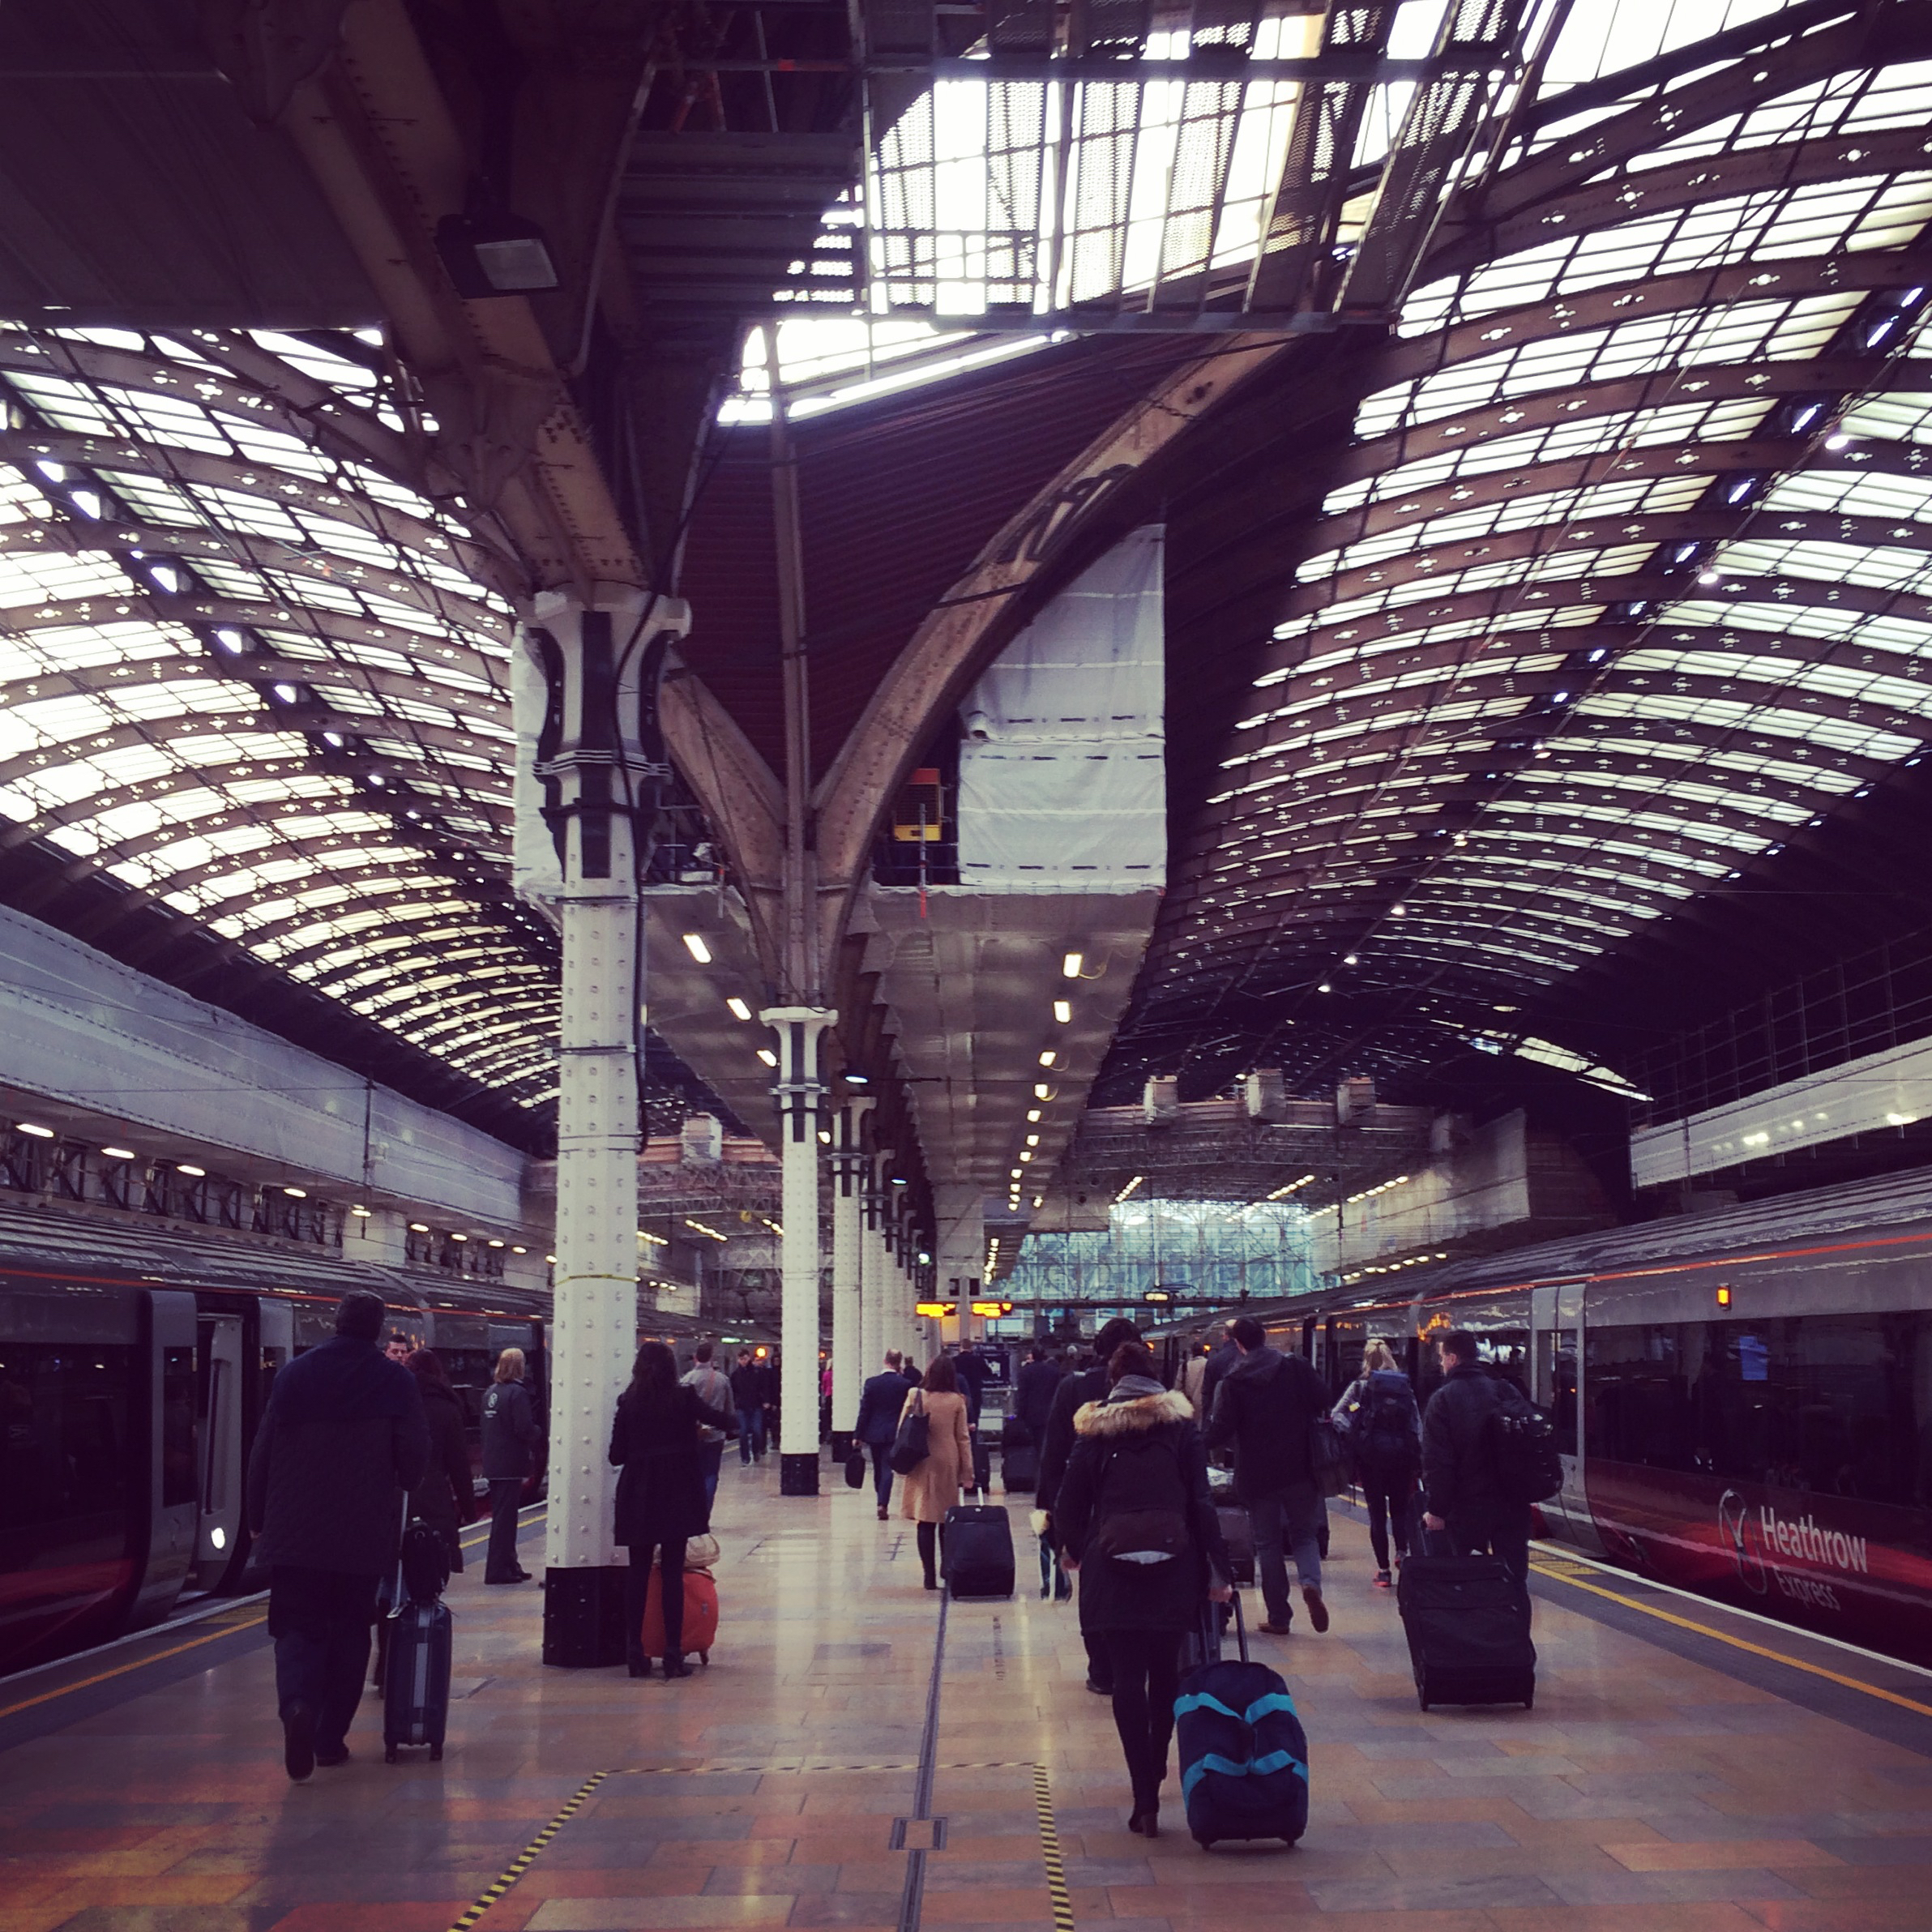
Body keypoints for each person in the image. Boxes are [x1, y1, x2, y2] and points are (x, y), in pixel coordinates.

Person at [246, 1289, 428, 1782]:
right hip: (360, 1533)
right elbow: (413, 1462)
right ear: (377, 1329)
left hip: (294, 1532)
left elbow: (263, 1451)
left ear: (336, 1323)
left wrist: (257, 1517)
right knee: (350, 1632)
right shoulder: (395, 1380)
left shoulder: (294, 1374)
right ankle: (328, 1741)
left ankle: (297, 1706)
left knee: (295, 1628)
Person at [1054, 1341, 1232, 1840]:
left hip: (1112, 1570)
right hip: (1175, 1567)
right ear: (1156, 1379)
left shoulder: (1094, 1432)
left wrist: (1074, 1549)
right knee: (1166, 1674)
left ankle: (1144, 1798)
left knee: (1127, 1680)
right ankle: (1156, 1766)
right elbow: (1202, 1504)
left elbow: (1069, 1503)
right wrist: (1219, 1571)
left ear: (1113, 1382)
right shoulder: (1181, 1428)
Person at [609, 1340, 735, 1678]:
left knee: (638, 1572)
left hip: (638, 1493)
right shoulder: (684, 1397)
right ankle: (673, 1654)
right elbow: (724, 1420)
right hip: (677, 1491)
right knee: (672, 1572)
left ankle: (635, 1653)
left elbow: (616, 1455)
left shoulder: (628, 1402)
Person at [1205, 1315, 1330, 1638]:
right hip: (1301, 1468)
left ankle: (1279, 1617)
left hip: (1257, 1475)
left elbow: (1221, 1430)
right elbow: (1323, 1400)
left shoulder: (1233, 1381)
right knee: (1305, 1535)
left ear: (1238, 1344)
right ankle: (1310, 1584)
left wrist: (1194, 1443)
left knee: (1267, 1544)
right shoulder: (1296, 1366)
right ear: (1265, 1336)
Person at [1039, 1317, 1143, 1694]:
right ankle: (1138, 1662)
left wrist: (1052, 1514)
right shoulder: (1155, 1391)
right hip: (1141, 1506)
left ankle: (1103, 1669)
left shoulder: (1073, 1387)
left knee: (1096, 1588)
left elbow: (1054, 1454)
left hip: (1089, 1509)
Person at [1421, 1330, 1533, 1596]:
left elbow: (1439, 1463)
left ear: (1452, 1359)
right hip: (1512, 1505)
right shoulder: (1506, 1390)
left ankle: (1472, 1622)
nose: (1441, 1364)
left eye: (1442, 1358)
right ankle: (1515, 1622)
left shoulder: (1442, 1400)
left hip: (1466, 1509)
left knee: (1461, 1580)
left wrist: (1436, 1510)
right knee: (1514, 1581)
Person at [1331, 1340, 1421, 1588]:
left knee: (1377, 1514)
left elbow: (1337, 1415)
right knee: (1400, 1511)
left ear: (1366, 1360)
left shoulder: (1359, 1387)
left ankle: (1383, 1571)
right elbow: (1416, 1424)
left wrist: (1354, 1435)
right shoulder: (1404, 1387)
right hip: (1401, 1457)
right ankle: (1402, 1553)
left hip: (1371, 1459)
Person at [899, 1355, 972, 1590]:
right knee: (946, 1518)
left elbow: (902, 1428)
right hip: (947, 1460)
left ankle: (928, 1575)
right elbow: (963, 1438)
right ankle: (946, 1568)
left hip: (921, 1459)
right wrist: (968, 1473)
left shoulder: (915, 1395)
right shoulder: (957, 1400)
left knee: (925, 1519)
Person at [404, 1349, 473, 1572]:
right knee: (437, 1563)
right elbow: (459, 1466)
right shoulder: (447, 1408)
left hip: (400, 1497)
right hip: (435, 1498)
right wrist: (469, 1510)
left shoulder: (397, 1404)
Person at [481, 1347, 540, 1584]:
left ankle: (510, 1564)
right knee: (506, 1521)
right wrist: (538, 1432)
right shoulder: (518, 1393)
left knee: (502, 1518)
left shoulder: (490, 1392)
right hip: (511, 1464)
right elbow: (523, 1428)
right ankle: (497, 1570)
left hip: (493, 1463)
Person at [855, 1349, 913, 1519]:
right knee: (888, 1467)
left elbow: (865, 1411)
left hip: (874, 1432)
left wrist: (858, 1435)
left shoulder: (872, 1383)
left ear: (884, 1361)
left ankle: (880, 1498)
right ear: (899, 1363)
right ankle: (883, 1502)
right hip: (895, 1432)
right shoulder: (905, 1384)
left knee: (877, 1468)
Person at [681, 1342, 735, 1516]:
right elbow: (729, 1410)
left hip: (693, 1434)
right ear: (712, 1359)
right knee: (711, 1474)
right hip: (716, 1434)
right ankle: (705, 1512)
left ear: (695, 1357)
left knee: (693, 1474)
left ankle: (693, 1512)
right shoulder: (722, 1380)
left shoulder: (686, 1380)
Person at [1014, 1344, 1061, 1444]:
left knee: (1034, 1442)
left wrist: (1020, 1415)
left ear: (1033, 1355)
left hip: (1031, 1413)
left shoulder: (1025, 1372)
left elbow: (1022, 1395)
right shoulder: (1054, 1371)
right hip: (1050, 1412)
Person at [1198, 1322, 1242, 1418]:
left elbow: (1207, 1395)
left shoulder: (1215, 1360)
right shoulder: (1249, 1357)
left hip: (1222, 1416)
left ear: (1225, 1337)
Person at [731, 1349, 768, 1464]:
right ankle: (745, 1457)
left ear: (749, 1358)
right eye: (741, 1359)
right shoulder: (735, 1375)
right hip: (741, 1407)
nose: (743, 1361)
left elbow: (764, 1387)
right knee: (743, 1432)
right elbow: (733, 1391)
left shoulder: (758, 1372)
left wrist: (766, 1401)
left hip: (756, 1405)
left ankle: (756, 1450)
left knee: (757, 1431)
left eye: (745, 1359)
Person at [1176, 1343, 1211, 1421]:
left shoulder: (1184, 1366)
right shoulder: (1209, 1364)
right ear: (1203, 1352)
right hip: (1204, 1404)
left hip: (1188, 1405)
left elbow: (1178, 1387)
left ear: (1192, 1352)